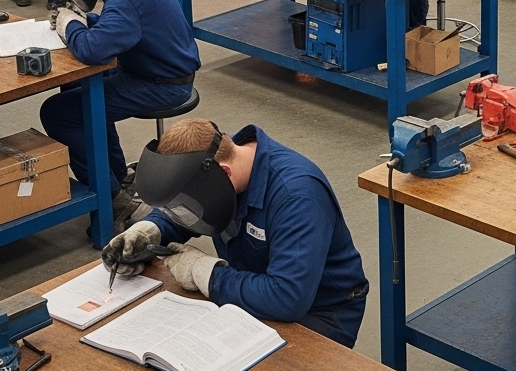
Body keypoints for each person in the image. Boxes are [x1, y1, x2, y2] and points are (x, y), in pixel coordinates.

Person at [102, 119, 369, 347]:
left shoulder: (296, 196)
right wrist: (152, 230)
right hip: (252, 289)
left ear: (223, 174)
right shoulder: (219, 170)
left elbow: (288, 298)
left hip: (319, 312)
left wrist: (203, 272)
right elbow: (191, 211)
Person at [43, 0, 201, 231]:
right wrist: (85, 20)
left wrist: (70, 26)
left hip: (162, 86)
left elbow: (92, 49)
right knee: (77, 88)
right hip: (154, 70)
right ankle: (118, 175)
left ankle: (113, 200)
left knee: (59, 113)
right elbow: (122, 26)